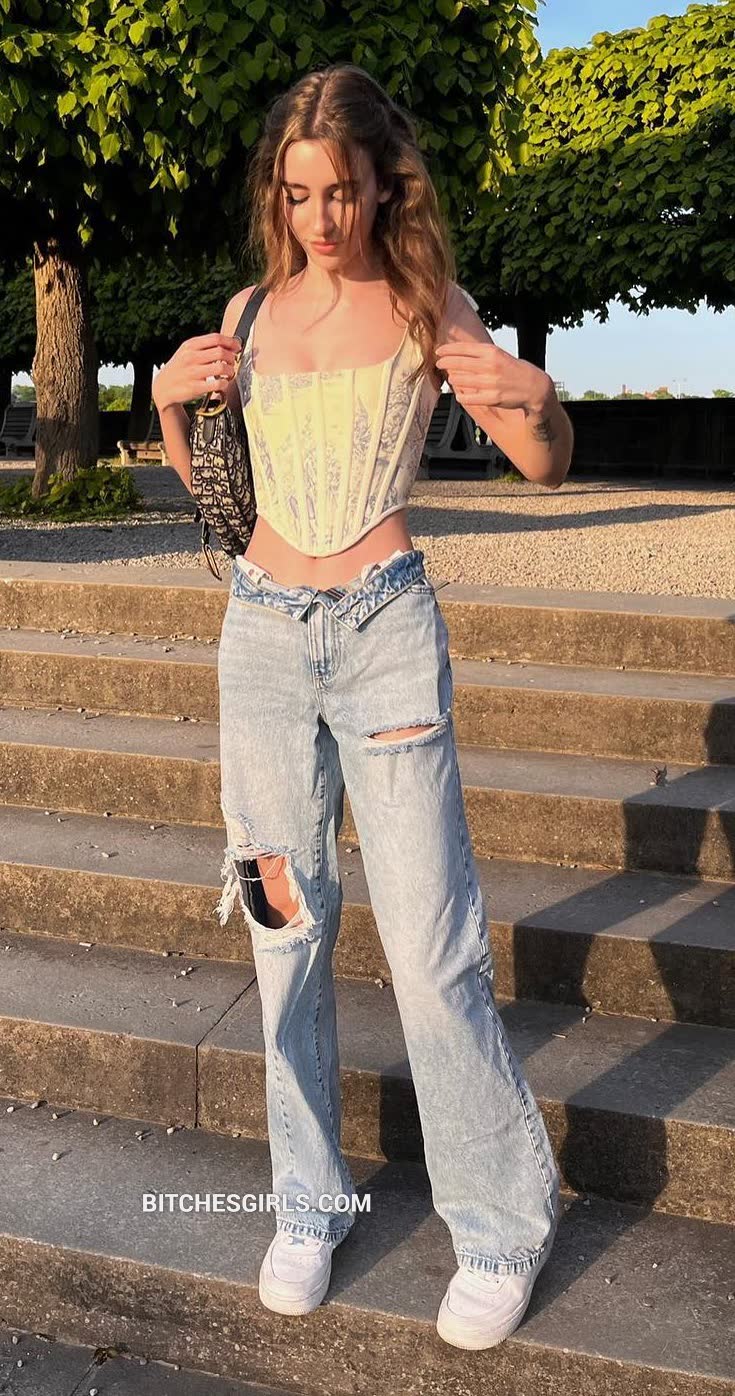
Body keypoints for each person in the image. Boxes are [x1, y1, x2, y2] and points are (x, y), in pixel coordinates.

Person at [153, 62, 573, 1352]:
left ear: (386, 184)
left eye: (342, 190)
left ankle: (499, 1225)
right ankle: (307, 1204)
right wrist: (169, 405)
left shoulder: (427, 305)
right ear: (277, 196)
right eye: (299, 193)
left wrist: (536, 403)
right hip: (262, 642)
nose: (321, 217)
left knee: (432, 946)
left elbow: (544, 466)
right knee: (283, 929)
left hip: (386, 633)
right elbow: (221, 499)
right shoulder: (248, 314)